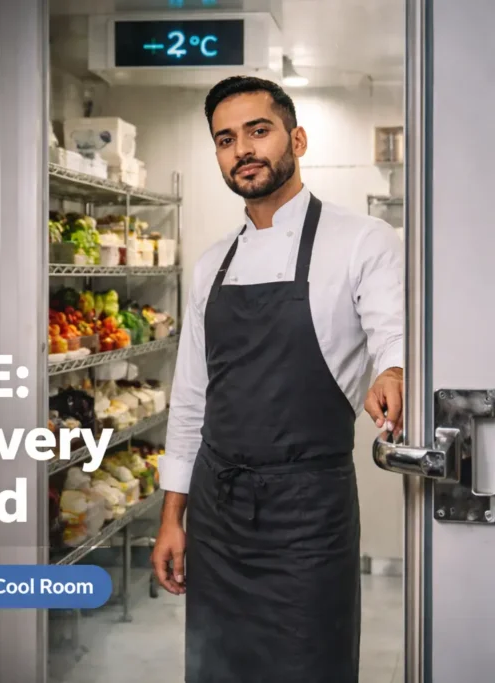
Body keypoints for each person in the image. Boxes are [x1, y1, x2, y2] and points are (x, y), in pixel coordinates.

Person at [150, 75, 405, 683]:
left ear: (297, 138)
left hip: (307, 514)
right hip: (218, 508)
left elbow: (393, 330)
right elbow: (191, 401)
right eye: (225, 139)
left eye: (258, 131)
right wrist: (171, 518)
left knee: (308, 664)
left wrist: (393, 369)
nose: (242, 150)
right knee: (217, 670)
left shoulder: (362, 241)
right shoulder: (214, 263)